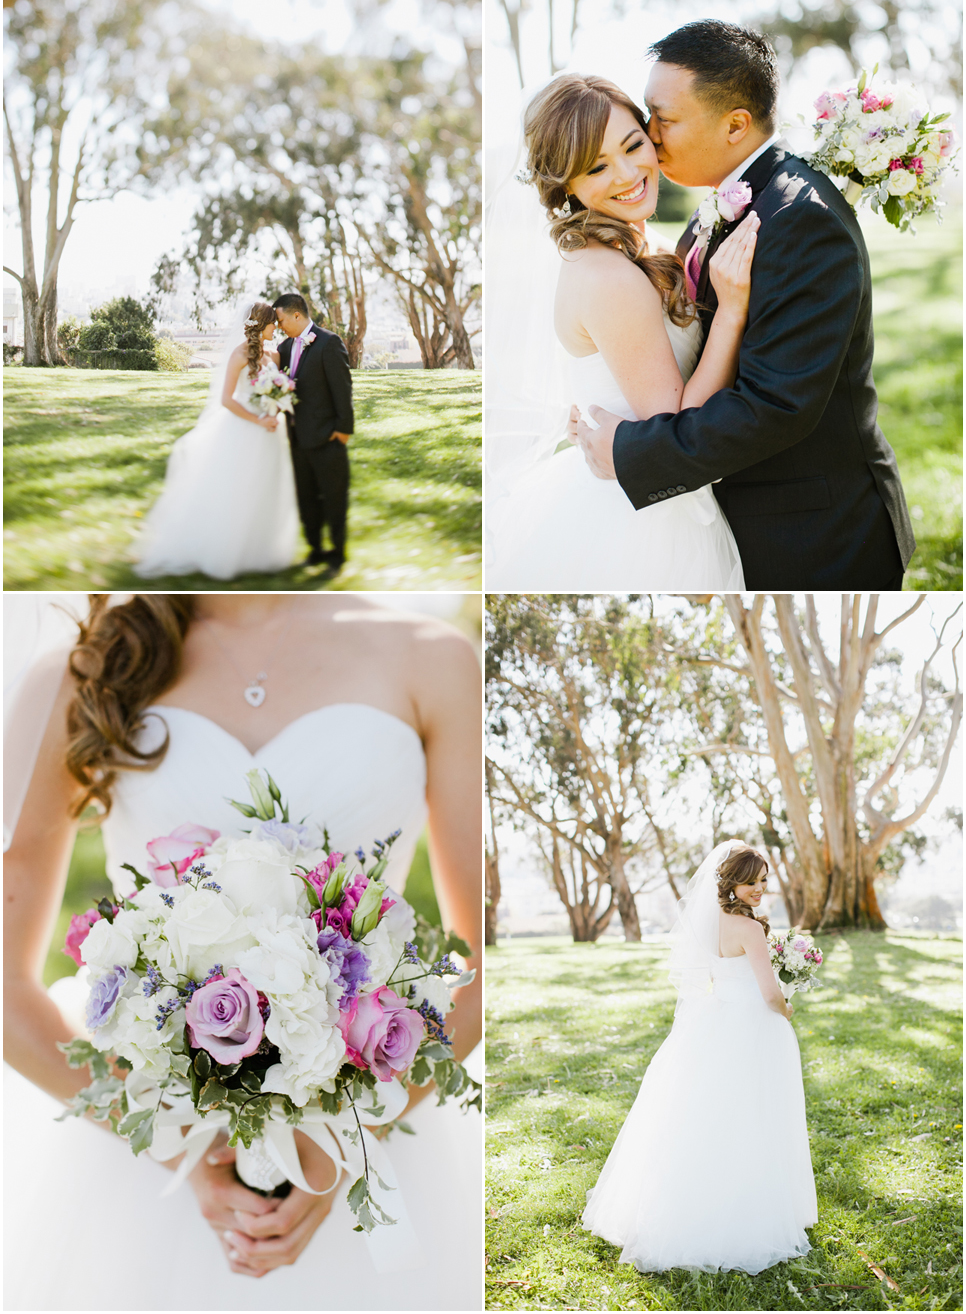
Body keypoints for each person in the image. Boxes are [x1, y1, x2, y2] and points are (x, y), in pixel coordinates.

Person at [4, 592, 482, 1311]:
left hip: (373, 1139)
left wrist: (347, 1135)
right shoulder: (85, 671)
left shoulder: (434, 658)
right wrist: (176, 1143)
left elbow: (490, 960)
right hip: (146, 1188)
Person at [572, 20, 914, 592]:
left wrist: (629, 453)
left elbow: (775, 405)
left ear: (735, 125)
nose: (650, 136)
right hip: (750, 523)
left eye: (665, 118)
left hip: (817, 536)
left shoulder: (802, 219)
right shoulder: (732, 203)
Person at [485, 74, 752, 591]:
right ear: (567, 186)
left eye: (633, 146)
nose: (629, 173)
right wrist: (732, 314)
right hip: (648, 517)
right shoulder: (607, 275)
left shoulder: (625, 246)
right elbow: (675, 426)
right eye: (597, 167)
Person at [582, 841, 816, 1274]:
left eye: (764, 881)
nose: (761, 889)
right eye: (754, 882)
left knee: (705, 1116)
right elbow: (768, 993)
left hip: (715, 1020)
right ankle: (746, 1210)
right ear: (735, 882)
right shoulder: (749, 929)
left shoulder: (710, 924)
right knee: (753, 1114)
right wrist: (787, 1006)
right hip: (751, 1024)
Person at [132, 297, 300, 580]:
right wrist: (259, 419)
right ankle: (230, 552)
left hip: (271, 432)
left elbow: (277, 388)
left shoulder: (274, 356)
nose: (277, 328)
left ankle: (260, 551)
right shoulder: (238, 356)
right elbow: (226, 400)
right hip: (245, 429)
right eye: (273, 323)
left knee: (266, 486)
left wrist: (277, 409)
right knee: (240, 489)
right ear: (261, 324)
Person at [274, 293, 354, 572]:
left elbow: (343, 389)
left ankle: (338, 553)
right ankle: (316, 550)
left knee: (334, 498)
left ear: (297, 315)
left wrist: (343, 430)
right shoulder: (283, 348)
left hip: (327, 437)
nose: (280, 325)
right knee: (306, 499)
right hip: (296, 438)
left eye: (282, 319)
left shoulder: (329, 343)